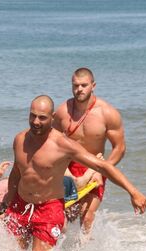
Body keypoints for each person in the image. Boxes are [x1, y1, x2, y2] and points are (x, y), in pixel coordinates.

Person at [0, 95, 146, 251]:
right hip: (20, 205)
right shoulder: (20, 139)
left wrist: (133, 191)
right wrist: (7, 200)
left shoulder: (63, 145)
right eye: (32, 116)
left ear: (52, 118)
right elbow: (16, 172)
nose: (36, 122)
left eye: (42, 117)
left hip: (48, 210)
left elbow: (102, 166)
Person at [53, 67, 126, 241]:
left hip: (94, 168)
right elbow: (51, 142)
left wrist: (102, 169)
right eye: (75, 85)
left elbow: (120, 148)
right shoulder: (63, 111)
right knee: (62, 221)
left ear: (93, 86)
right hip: (67, 168)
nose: (79, 89)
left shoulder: (107, 113)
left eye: (84, 85)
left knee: (86, 217)